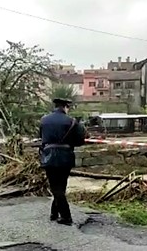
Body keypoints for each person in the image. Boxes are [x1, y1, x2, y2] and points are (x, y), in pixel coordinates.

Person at [39, 97, 86, 226]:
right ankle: (61, 215)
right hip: (65, 157)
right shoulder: (72, 121)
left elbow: (42, 138)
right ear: (66, 107)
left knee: (55, 187)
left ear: (55, 107)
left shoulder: (44, 120)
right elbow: (80, 141)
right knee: (60, 187)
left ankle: (60, 215)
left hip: (49, 156)